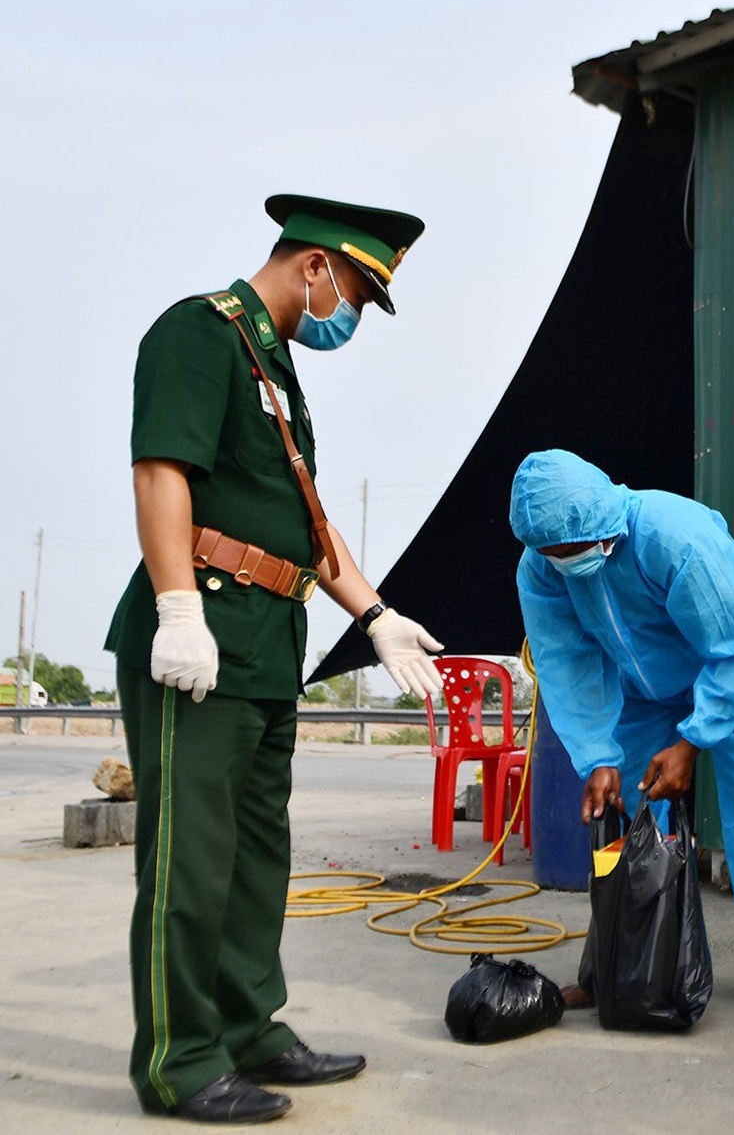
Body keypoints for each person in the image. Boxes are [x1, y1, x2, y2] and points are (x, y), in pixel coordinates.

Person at [106, 196, 447, 1124]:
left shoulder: (276, 369)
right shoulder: (199, 334)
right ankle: (179, 1064)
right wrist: (178, 607)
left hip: (266, 649)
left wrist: (375, 613)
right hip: (200, 641)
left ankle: (252, 1030)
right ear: (314, 267)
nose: (355, 318)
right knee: (189, 860)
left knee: (258, 856)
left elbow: (307, 520)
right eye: (359, 293)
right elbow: (159, 471)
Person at [508, 449, 734, 1021]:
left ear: (604, 528)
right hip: (644, 685)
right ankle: (618, 967)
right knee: (624, 816)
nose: (566, 564)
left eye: (575, 552)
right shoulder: (540, 568)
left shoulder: (671, 534)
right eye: (554, 556)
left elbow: (733, 648)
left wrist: (692, 742)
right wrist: (597, 755)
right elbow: (566, 663)